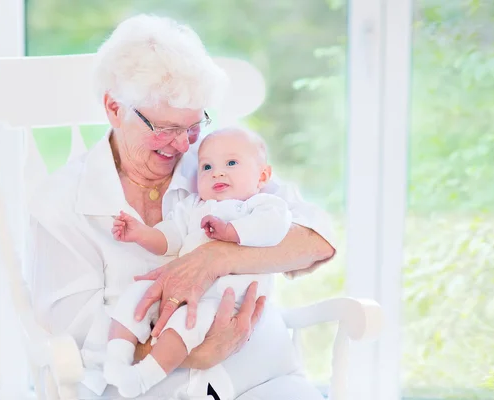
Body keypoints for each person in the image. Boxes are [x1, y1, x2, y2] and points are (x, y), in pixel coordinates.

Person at [28, 14, 336, 400]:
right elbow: (74, 336)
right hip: (149, 388)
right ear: (113, 108)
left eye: (192, 126)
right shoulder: (61, 204)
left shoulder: (214, 165)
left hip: (264, 378)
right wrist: (191, 353)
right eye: (164, 128)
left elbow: (317, 239)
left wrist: (215, 258)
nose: (182, 145)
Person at [104, 128, 292, 399]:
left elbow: (273, 229)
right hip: (180, 290)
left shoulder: (262, 206)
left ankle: (146, 377)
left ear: (262, 176)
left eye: (231, 163)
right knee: (138, 295)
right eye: (206, 166)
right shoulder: (195, 207)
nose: (217, 172)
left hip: (227, 301)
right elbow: (169, 237)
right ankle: (116, 360)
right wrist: (141, 233)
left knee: (186, 325)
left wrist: (230, 232)